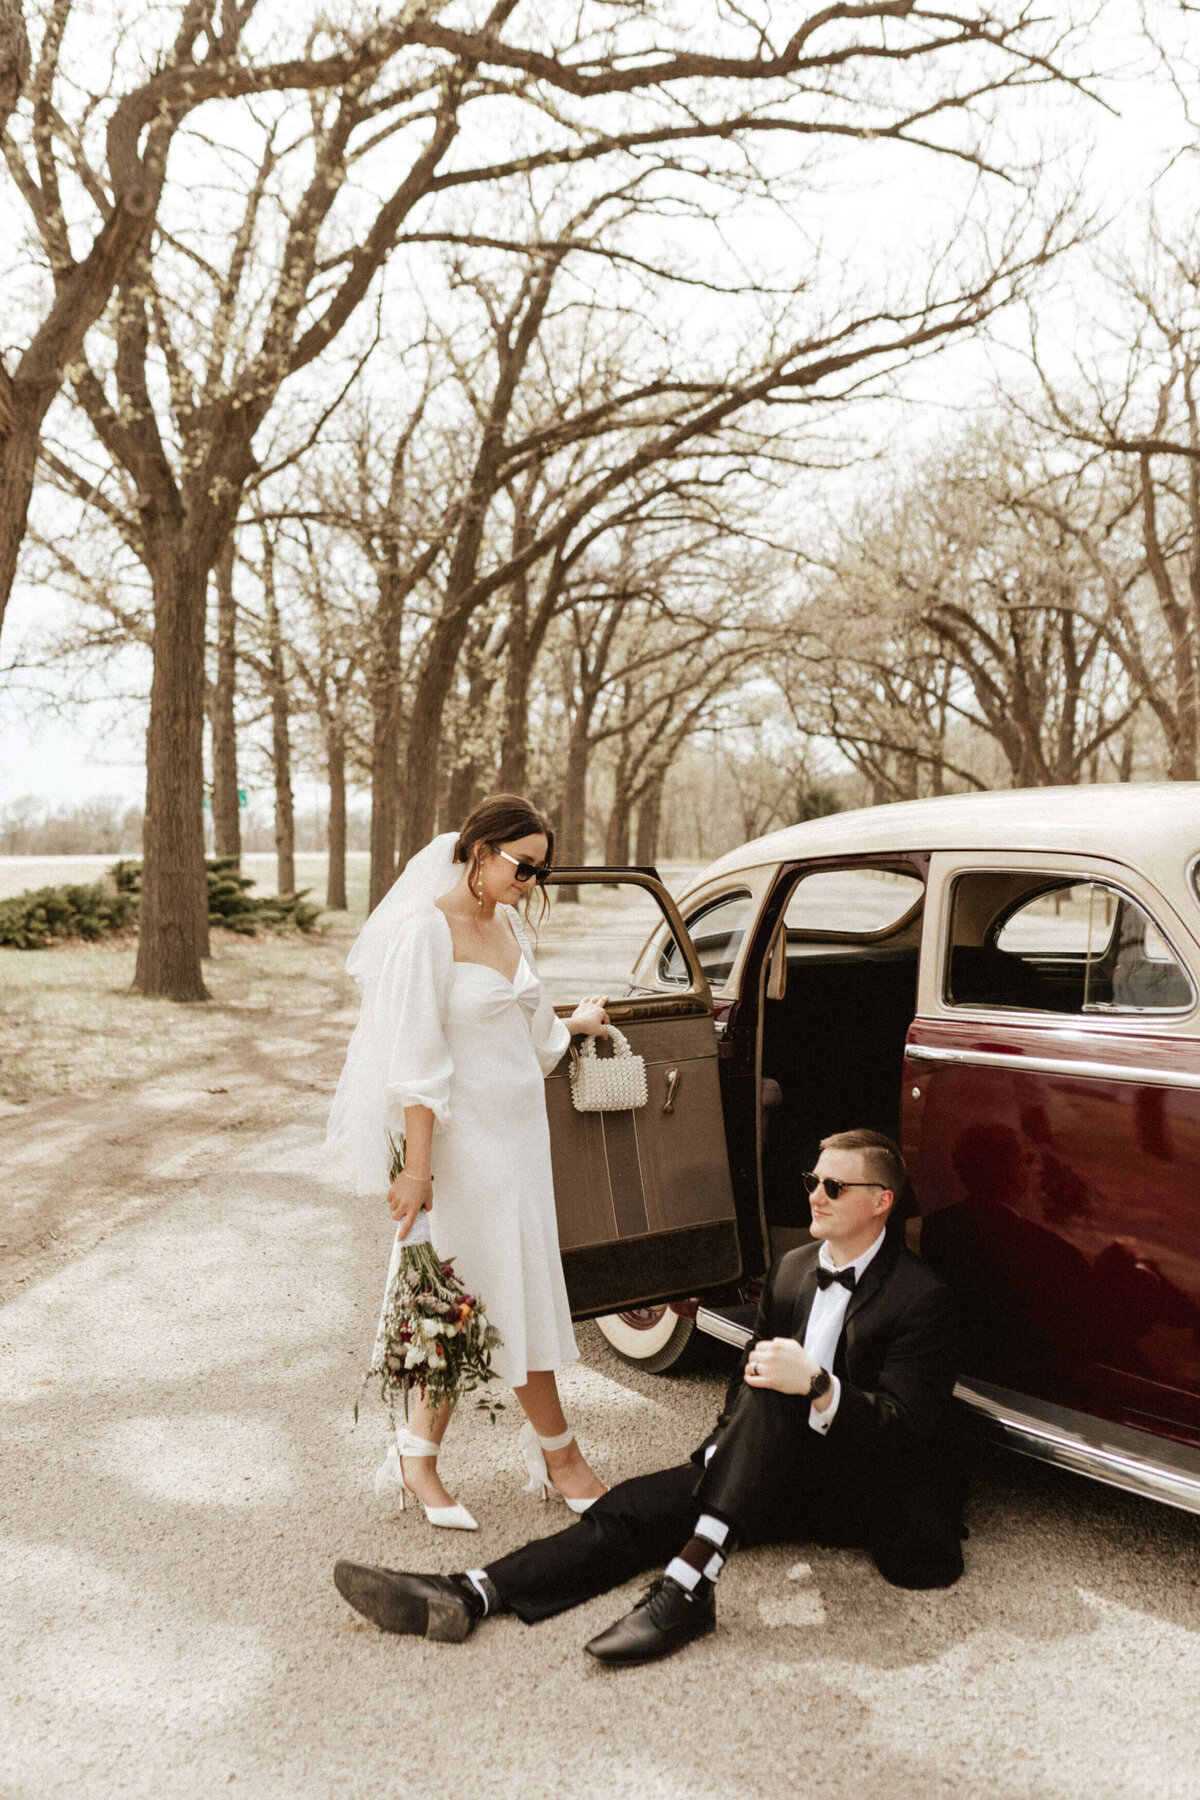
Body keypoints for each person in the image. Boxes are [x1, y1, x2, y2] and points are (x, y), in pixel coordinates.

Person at [332, 1127, 965, 1663]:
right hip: (777, 1462)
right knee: (634, 1507)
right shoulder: (796, 1267)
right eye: (812, 1181)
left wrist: (821, 1387)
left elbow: (904, 1431)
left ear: (881, 1201)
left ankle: (687, 1585)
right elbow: (745, 1382)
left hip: (867, 1483)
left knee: (783, 1383)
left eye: (834, 1186)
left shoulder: (921, 1297)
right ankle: (470, 1594)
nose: (816, 1196)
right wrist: (723, 1450)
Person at [326, 793, 611, 1531]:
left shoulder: (508, 922)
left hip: (521, 1147)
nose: (532, 883)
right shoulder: (425, 932)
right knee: (462, 1302)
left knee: (510, 1295)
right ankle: (543, 1455)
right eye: (524, 866)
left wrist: (576, 1025)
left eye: (541, 872)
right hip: (462, 1153)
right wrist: (418, 1172)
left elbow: (534, 1029)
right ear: (479, 852)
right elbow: (417, 1063)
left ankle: (431, 1452)